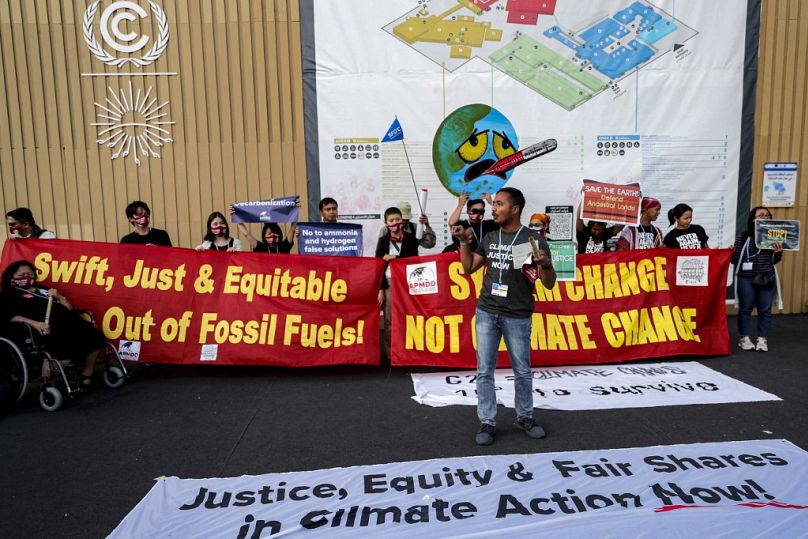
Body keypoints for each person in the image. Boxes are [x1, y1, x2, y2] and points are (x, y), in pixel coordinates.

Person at [455, 187, 556, 446]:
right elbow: (468, 269)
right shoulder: (490, 237)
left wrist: (545, 265)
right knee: (484, 371)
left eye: (499, 204)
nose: (493, 208)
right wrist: (464, 241)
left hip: (518, 315)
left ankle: (525, 417)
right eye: (494, 203)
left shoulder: (533, 240)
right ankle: (487, 421)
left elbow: (549, 283)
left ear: (515, 209)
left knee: (522, 371)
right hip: (487, 312)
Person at [0, 260, 106, 390]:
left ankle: (86, 372)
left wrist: (60, 297)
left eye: (30, 273)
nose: (27, 277)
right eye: (22, 275)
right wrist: (36, 324)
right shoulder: (8, 295)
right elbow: (11, 316)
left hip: (70, 322)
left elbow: (69, 308)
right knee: (67, 344)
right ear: (11, 278)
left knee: (95, 336)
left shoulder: (44, 290)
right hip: (43, 328)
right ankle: (49, 381)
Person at [732, 206, 784, 352]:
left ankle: (762, 339)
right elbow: (735, 259)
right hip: (746, 278)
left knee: (765, 310)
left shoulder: (774, 236)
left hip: (766, 276)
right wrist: (730, 252)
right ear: (753, 219)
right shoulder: (743, 237)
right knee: (746, 308)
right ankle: (744, 338)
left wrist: (778, 253)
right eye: (760, 215)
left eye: (767, 216)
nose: (764, 218)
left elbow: (774, 260)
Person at [375, 207, 419, 361]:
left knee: (409, 317)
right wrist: (380, 288)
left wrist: (396, 259)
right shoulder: (383, 240)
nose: (395, 223)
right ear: (386, 223)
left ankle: (409, 352)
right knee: (389, 321)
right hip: (389, 283)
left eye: (397, 220)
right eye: (391, 220)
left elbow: (414, 260)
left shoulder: (411, 239)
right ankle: (391, 355)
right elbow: (378, 266)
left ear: (402, 221)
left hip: (407, 283)